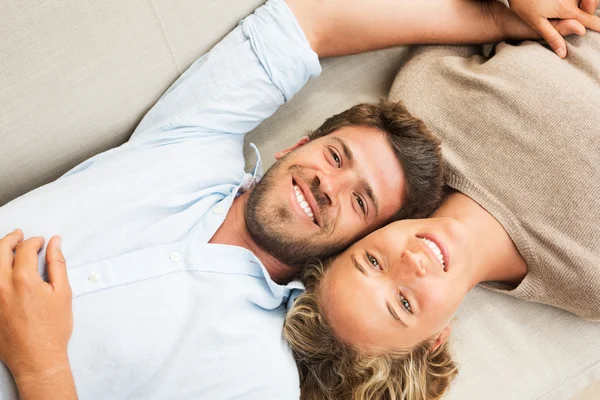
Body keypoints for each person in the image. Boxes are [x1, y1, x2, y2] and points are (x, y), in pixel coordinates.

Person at [0, 0, 597, 399]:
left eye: (360, 205)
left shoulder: (256, 372)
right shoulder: (192, 140)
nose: (326, 185)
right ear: (297, 143)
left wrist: (43, 366)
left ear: (349, 246)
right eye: (336, 158)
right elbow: (310, 21)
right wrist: (496, 14)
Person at [283, 2, 600, 399]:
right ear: (433, 341)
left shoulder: (420, 109)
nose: (409, 263)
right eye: (403, 303)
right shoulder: (590, 279)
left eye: (373, 261)